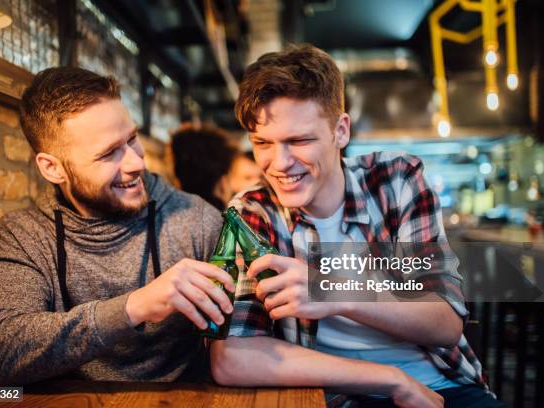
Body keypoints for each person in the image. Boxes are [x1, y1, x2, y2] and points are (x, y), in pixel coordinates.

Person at [210, 45, 503, 408]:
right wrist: (390, 380)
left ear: (341, 131)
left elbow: (445, 323)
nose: (279, 163)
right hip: (341, 394)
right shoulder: (252, 212)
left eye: (299, 140)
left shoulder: (396, 181)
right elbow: (232, 358)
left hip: (444, 384)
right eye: (262, 143)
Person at [0, 67, 235, 386]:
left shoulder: (195, 219)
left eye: (132, 139)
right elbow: (3, 355)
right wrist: (133, 307)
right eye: (108, 153)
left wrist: (317, 283)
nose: (136, 163)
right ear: (52, 168)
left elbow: (245, 341)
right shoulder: (23, 236)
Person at [170, 124, 261, 210]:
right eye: (247, 178)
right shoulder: (224, 221)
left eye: (261, 177)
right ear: (222, 182)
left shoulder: (168, 213)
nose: (257, 183)